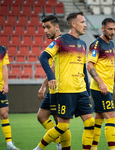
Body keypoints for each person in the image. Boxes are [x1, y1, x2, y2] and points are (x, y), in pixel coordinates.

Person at [33, 12, 95, 150]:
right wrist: (51, 77)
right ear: (73, 24)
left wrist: (88, 90)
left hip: (81, 91)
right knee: (62, 125)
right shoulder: (61, 40)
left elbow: (83, 70)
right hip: (65, 90)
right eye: (82, 22)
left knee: (90, 122)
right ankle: (39, 148)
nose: (85, 25)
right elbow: (43, 58)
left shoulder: (83, 44)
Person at [87, 18, 115, 150]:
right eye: (110, 29)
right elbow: (89, 65)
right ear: (103, 29)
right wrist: (101, 84)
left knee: (99, 118)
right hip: (100, 88)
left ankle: (93, 148)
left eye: (114, 29)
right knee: (111, 117)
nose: (112, 32)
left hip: (108, 86)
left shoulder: (111, 44)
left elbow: (110, 66)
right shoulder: (96, 44)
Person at [37, 15, 64, 150]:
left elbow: (53, 68)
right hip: (52, 88)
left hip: (58, 88)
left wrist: (43, 86)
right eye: (44, 28)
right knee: (42, 116)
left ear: (56, 26)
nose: (45, 30)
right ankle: (59, 144)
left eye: (48, 27)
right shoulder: (54, 43)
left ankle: (61, 146)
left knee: (59, 121)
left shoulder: (60, 42)